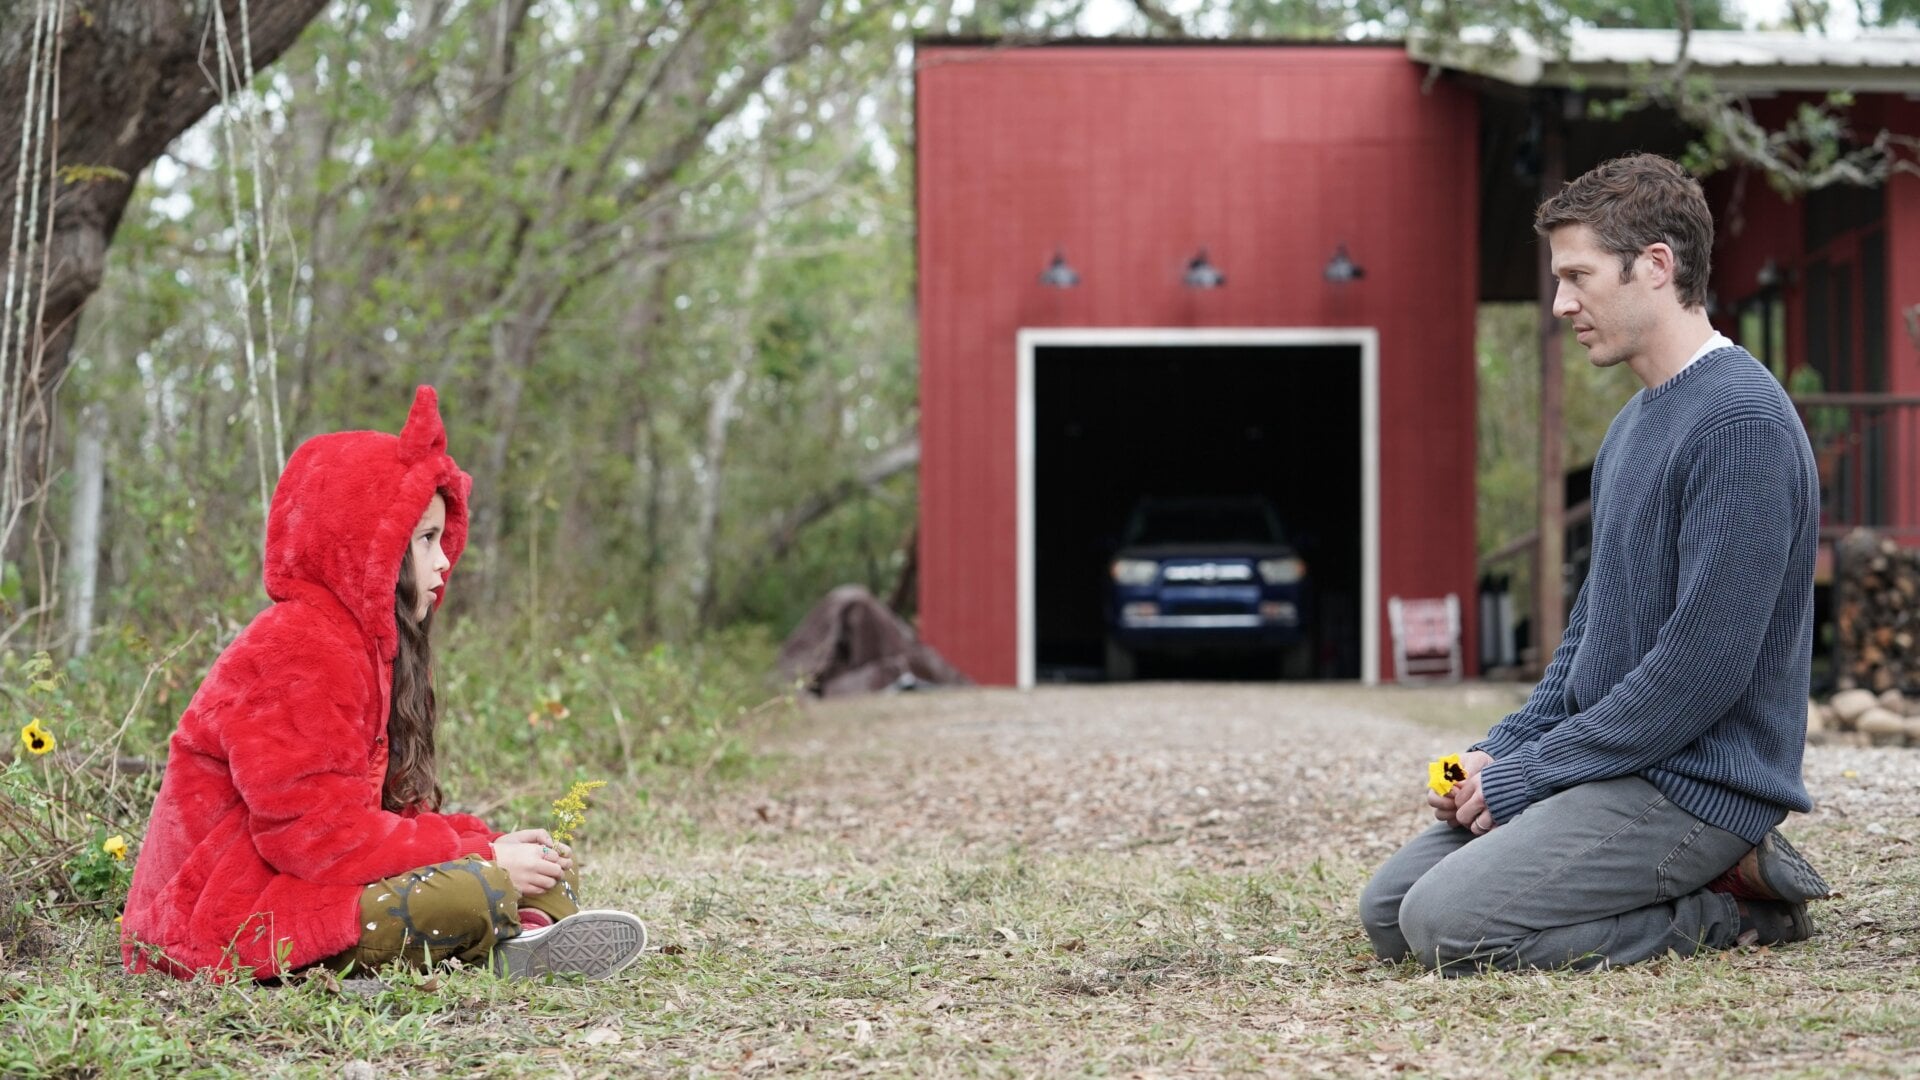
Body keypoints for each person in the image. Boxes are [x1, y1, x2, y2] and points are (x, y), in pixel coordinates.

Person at [1360, 153, 1830, 975]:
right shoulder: (1631, 428)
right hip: (1619, 767)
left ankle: (1735, 908)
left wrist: (1530, 778)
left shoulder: (1741, 426)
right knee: (1391, 912)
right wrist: (1501, 750)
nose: (1560, 303)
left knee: (1449, 925)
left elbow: (1697, 674)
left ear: (1656, 266)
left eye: (1578, 275)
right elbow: (1588, 640)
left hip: (1694, 788)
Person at [122, 387, 646, 981]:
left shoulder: (370, 651)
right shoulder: (298, 647)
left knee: (544, 866)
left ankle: (521, 933)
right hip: (219, 916)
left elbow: (389, 811)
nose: (444, 560)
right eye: (425, 540)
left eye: (441, 539)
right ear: (369, 546)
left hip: (298, 882)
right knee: (472, 889)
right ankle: (500, 932)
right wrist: (485, 857)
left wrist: (488, 839)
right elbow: (315, 839)